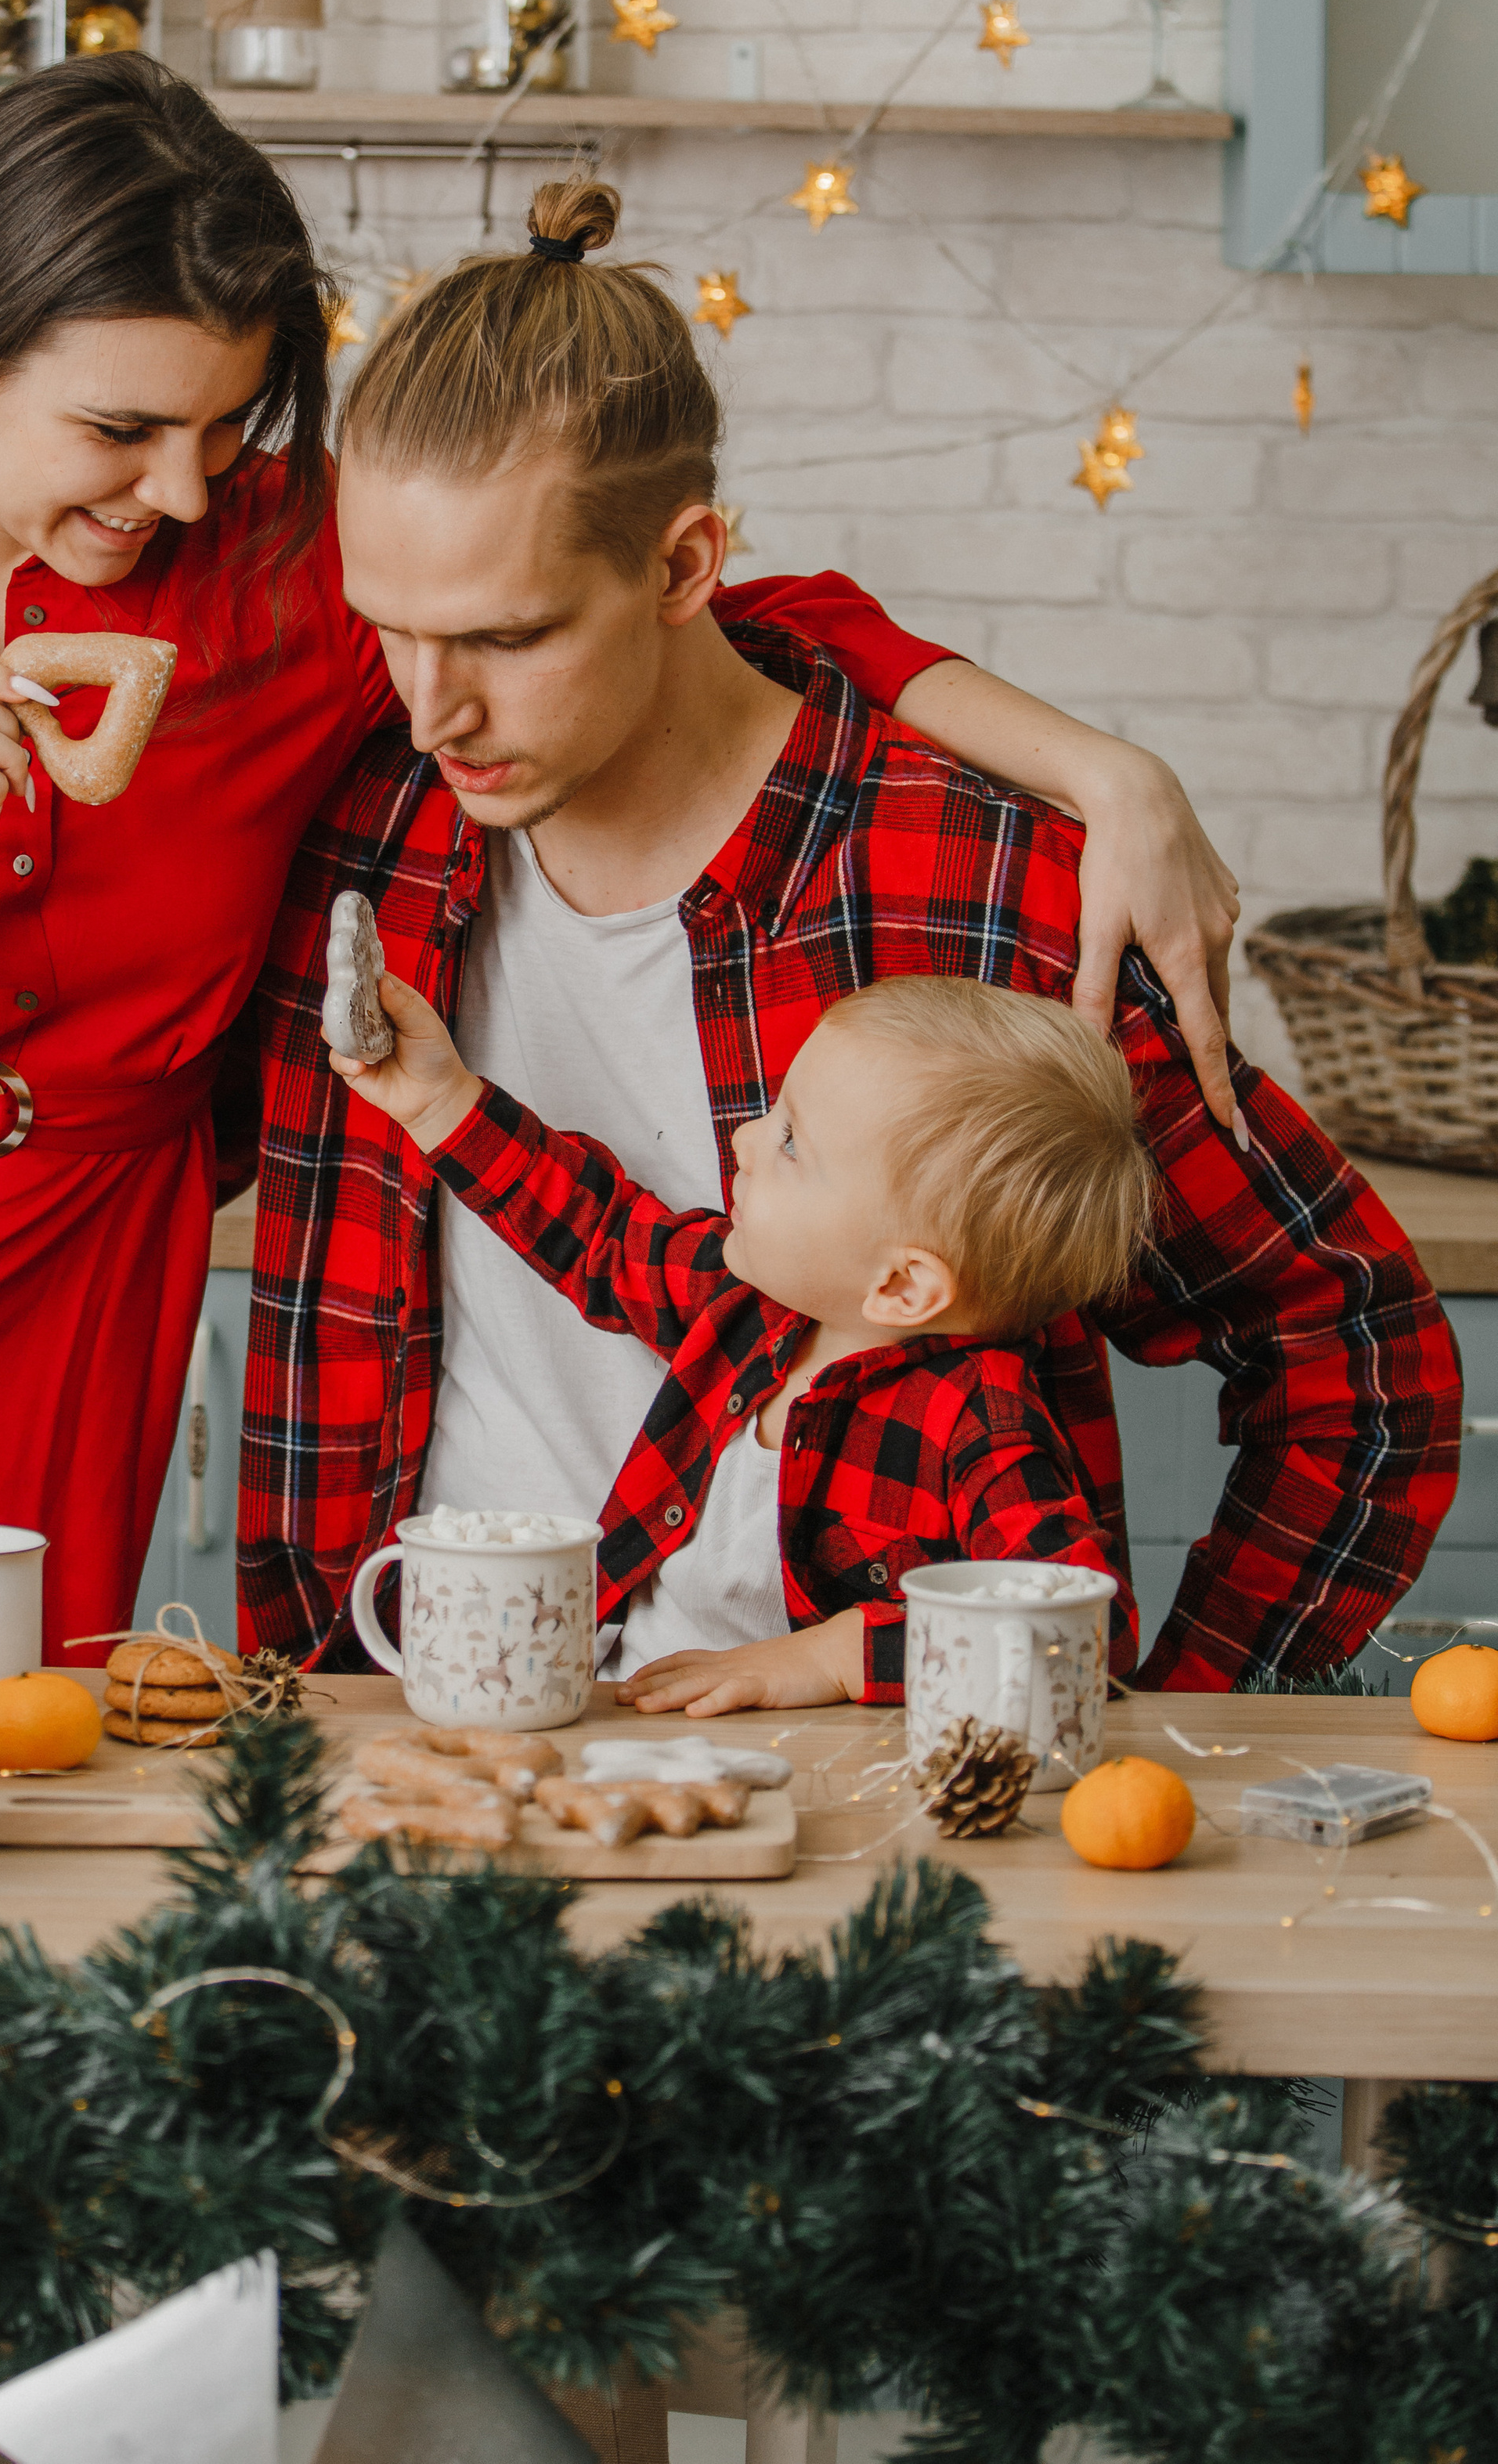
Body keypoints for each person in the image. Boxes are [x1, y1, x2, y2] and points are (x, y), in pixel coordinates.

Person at [0, 63, 1188, 1650]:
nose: (178, 490)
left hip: (41, 1336)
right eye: (119, 428)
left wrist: (1101, 771)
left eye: (226, 426)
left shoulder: (287, 574)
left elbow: (685, 613)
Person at [240, 177, 1462, 1691]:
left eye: (508, 636)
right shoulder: (368, 828)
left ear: (682, 567)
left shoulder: (983, 891)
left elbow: (1357, 1355)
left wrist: (1163, 1723)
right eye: (392, 627)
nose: (433, 711)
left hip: (860, 1787)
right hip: (402, 1721)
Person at [330, 969, 1149, 1708]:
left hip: (823, 1786)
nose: (745, 1139)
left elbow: (1084, 1630)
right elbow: (598, 1230)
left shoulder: (977, 1418)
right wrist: (442, 1105)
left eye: (791, 1142)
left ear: (902, 1286)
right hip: (626, 1724)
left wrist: (836, 1657)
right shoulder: (749, 1308)